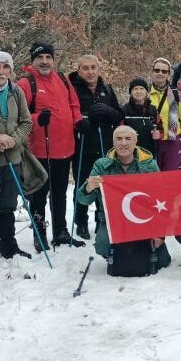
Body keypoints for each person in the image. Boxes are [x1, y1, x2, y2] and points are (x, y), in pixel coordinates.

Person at [75, 125, 169, 274]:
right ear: (113, 142)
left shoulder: (150, 165)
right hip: (113, 221)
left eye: (128, 138)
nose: (123, 143)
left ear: (135, 142)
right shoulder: (101, 165)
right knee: (102, 245)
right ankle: (119, 253)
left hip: (142, 221)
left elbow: (162, 200)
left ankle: (145, 248)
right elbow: (83, 200)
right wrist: (88, 187)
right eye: (118, 139)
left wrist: (160, 235)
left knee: (162, 260)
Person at [18, 42, 85, 248]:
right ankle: (39, 233)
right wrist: (38, 118)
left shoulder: (63, 79)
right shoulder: (26, 83)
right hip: (40, 150)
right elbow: (20, 116)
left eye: (48, 57)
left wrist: (78, 120)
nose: (45, 61)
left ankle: (60, 231)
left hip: (65, 149)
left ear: (53, 60)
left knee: (59, 193)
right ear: (33, 61)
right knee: (39, 196)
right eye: (40, 58)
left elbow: (74, 105)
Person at [0, 51, 41, 259]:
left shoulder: (16, 91)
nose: (1, 71)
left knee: (8, 203)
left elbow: (26, 122)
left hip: (12, 156)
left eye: (6, 67)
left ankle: (8, 245)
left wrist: (12, 139)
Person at [69, 54, 124, 239]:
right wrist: (78, 123)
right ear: (79, 70)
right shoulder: (72, 89)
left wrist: (107, 112)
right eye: (85, 68)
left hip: (105, 144)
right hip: (82, 144)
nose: (90, 72)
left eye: (93, 67)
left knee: (105, 182)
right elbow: (67, 113)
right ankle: (81, 221)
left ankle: (102, 218)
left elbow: (119, 114)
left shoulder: (106, 89)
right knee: (83, 182)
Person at [148, 57, 181, 171]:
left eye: (164, 71)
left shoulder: (176, 93)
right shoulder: (145, 93)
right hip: (153, 140)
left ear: (168, 74)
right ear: (152, 72)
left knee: (170, 174)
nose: (160, 73)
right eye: (157, 70)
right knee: (154, 175)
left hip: (173, 139)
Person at [121, 77, 159, 154]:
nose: (138, 92)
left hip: (149, 152)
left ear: (146, 92)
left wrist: (158, 134)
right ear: (130, 92)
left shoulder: (153, 109)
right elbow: (118, 131)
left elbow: (160, 127)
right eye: (135, 89)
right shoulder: (124, 110)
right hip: (130, 153)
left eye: (142, 89)